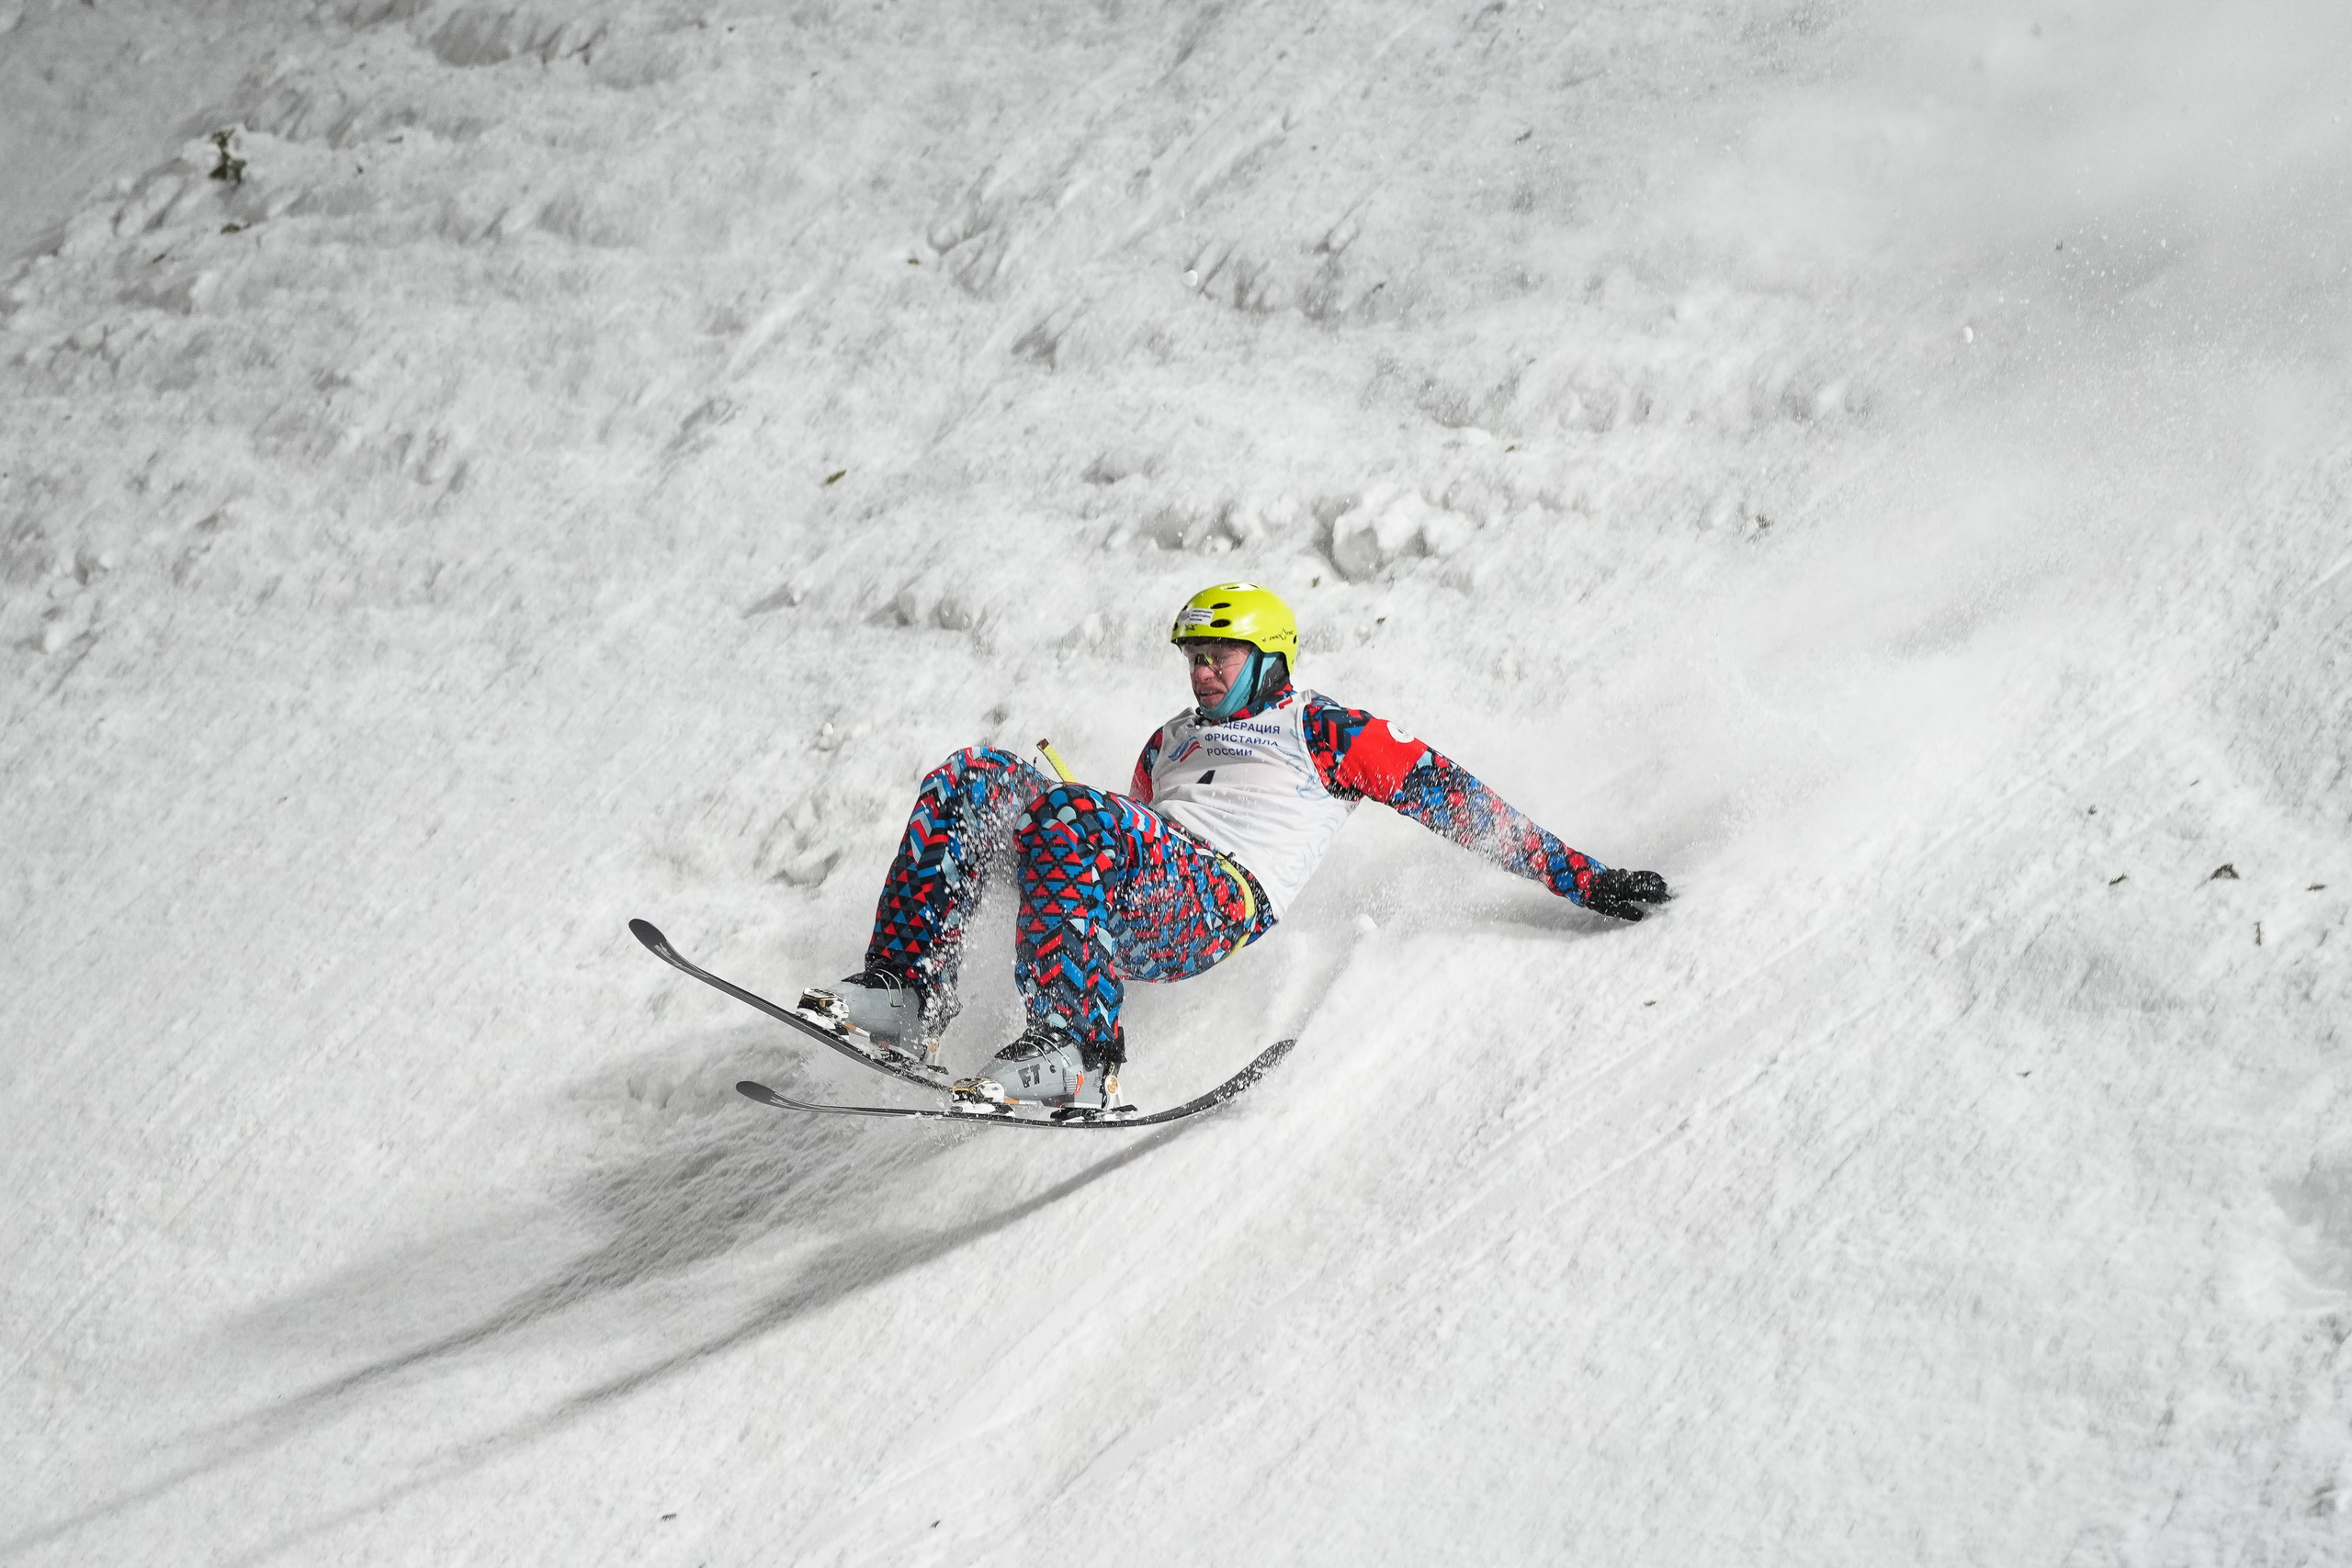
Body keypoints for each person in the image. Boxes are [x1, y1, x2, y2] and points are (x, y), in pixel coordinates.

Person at [819, 581, 1671, 1112]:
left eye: (1221, 656)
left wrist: (1584, 878)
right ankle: (907, 993)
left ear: (1268, 657)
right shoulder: (1169, 740)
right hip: (1139, 897)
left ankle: (1078, 1051)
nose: (1202, 673)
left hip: (1219, 901)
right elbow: (1101, 845)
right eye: (1194, 657)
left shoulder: (1323, 729)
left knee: (1074, 812)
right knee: (973, 779)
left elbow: (1460, 802)